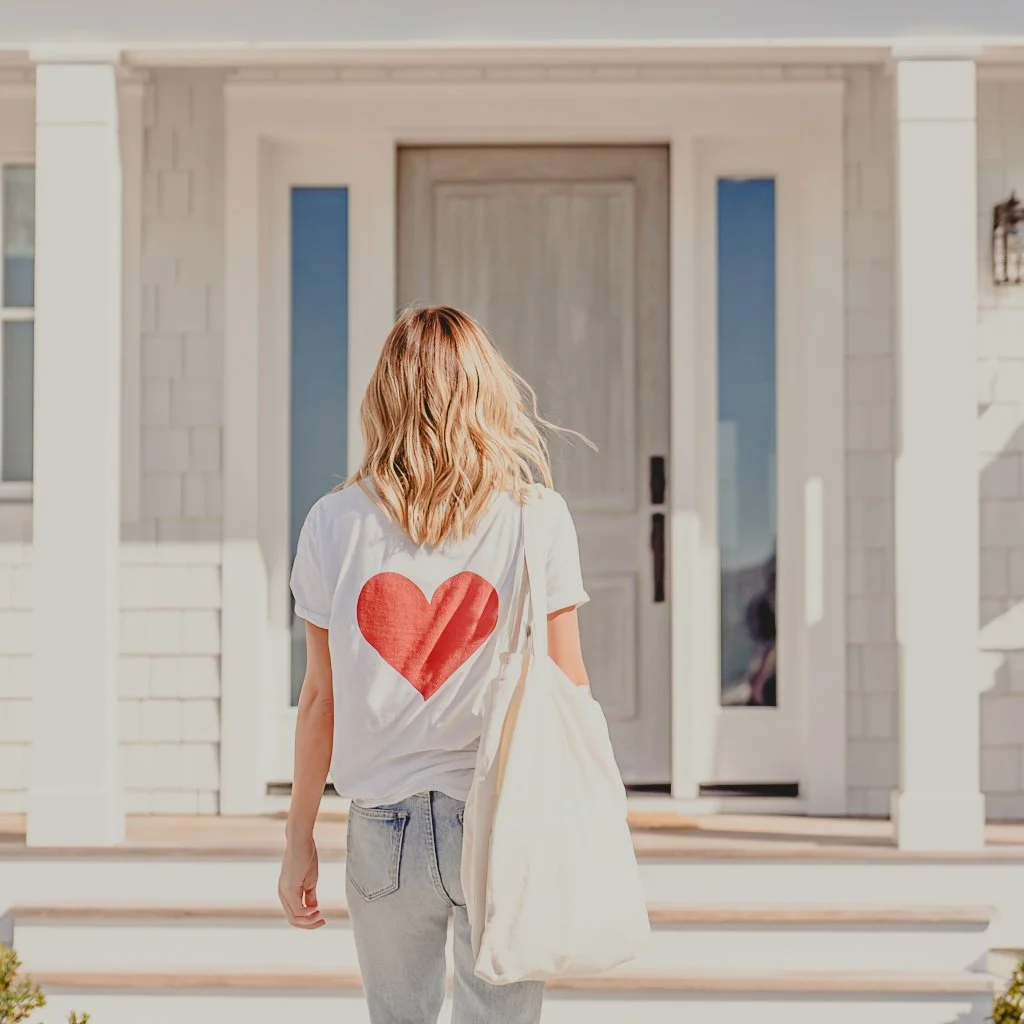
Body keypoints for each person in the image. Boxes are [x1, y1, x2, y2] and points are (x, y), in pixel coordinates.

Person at [278, 306, 592, 1024]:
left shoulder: (333, 523)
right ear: (486, 393)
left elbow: (320, 700)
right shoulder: (535, 515)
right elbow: (571, 687)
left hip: (380, 828)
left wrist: (298, 838)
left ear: (384, 395)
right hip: (499, 819)